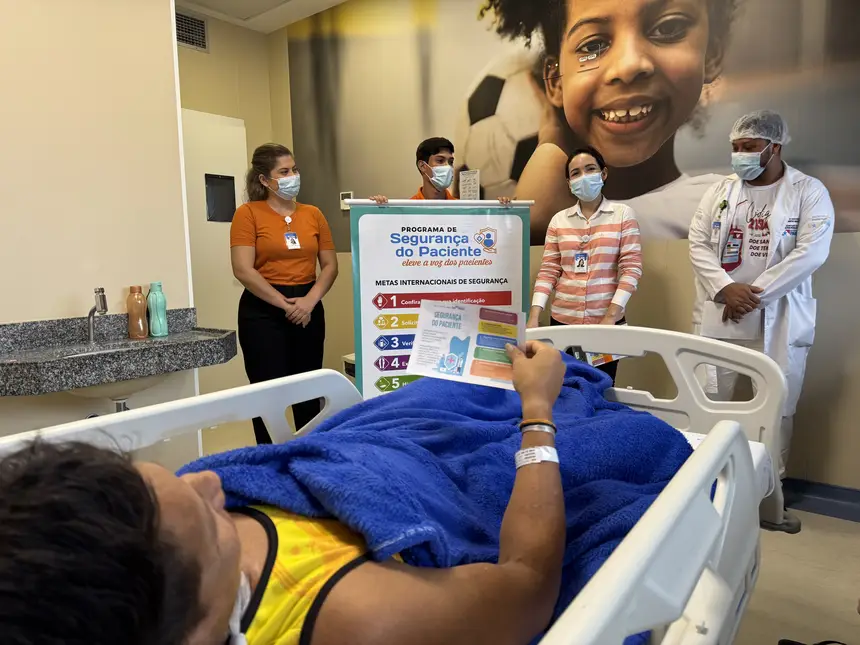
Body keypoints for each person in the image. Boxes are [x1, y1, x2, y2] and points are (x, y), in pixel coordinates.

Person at [0, 341, 566, 645]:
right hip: (426, 471)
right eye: (210, 524)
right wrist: (537, 409)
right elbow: (529, 582)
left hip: (366, 446)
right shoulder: (362, 620)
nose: (208, 478)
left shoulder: (153, 558)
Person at [480, 0, 737, 242]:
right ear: (556, 82)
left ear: (710, 55)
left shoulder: (720, 206)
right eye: (593, 46)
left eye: (667, 29)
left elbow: (541, 217)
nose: (628, 66)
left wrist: (549, 143)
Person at [689, 110, 835, 478]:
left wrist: (752, 297)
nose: (740, 155)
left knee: (776, 409)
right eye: (736, 147)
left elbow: (812, 252)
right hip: (720, 316)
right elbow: (698, 243)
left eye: (750, 146)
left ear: (775, 147)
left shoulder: (808, 191)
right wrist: (725, 288)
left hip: (778, 318)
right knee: (707, 402)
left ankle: (769, 491)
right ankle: (704, 485)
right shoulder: (719, 191)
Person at [231, 143, 339, 444]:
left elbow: (330, 266)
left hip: (308, 304)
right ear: (264, 179)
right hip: (263, 309)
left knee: (308, 388)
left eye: (294, 169)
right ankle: (269, 458)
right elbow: (243, 269)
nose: (293, 176)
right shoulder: (248, 213)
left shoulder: (313, 214)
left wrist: (309, 302)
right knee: (267, 393)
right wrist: (285, 305)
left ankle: (307, 455)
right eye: (284, 171)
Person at [528, 146, 643, 384]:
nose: (583, 177)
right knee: (563, 386)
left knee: (601, 386)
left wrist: (611, 317)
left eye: (590, 169)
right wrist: (534, 316)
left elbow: (631, 268)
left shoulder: (622, 214)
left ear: (603, 173)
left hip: (606, 322)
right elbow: (549, 271)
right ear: (569, 182)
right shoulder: (559, 220)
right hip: (563, 322)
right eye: (576, 173)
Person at [371, 137, 512, 204]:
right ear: (423, 166)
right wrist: (377, 210)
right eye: (440, 161)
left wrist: (502, 211)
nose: (448, 167)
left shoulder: (462, 209)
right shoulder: (407, 210)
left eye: (450, 162)